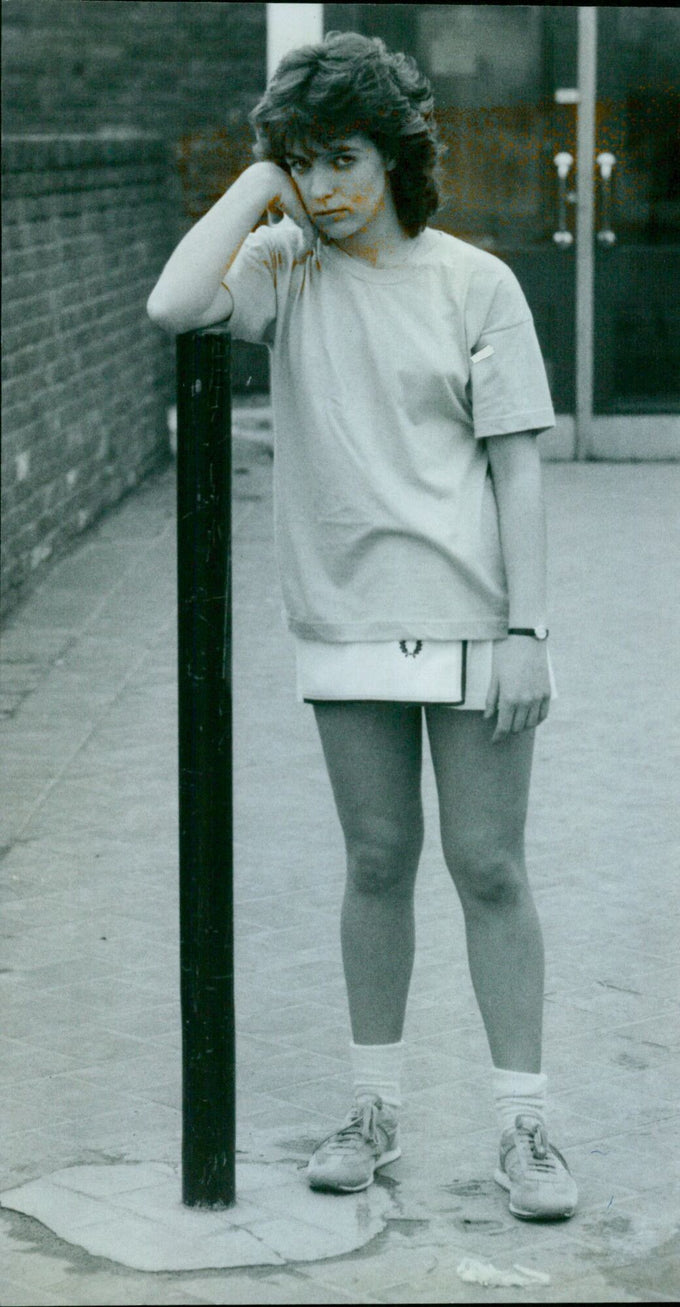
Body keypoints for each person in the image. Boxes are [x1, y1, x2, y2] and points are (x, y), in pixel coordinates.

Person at [147, 30, 577, 1222]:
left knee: (487, 866)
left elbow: (518, 472)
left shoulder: (474, 282)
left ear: (394, 155)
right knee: (376, 861)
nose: (325, 186)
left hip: (471, 621)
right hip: (341, 618)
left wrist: (525, 630)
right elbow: (173, 300)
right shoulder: (284, 269)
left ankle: (525, 1125)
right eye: (304, 163)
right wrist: (256, 181)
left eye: (342, 158)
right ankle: (374, 1106)